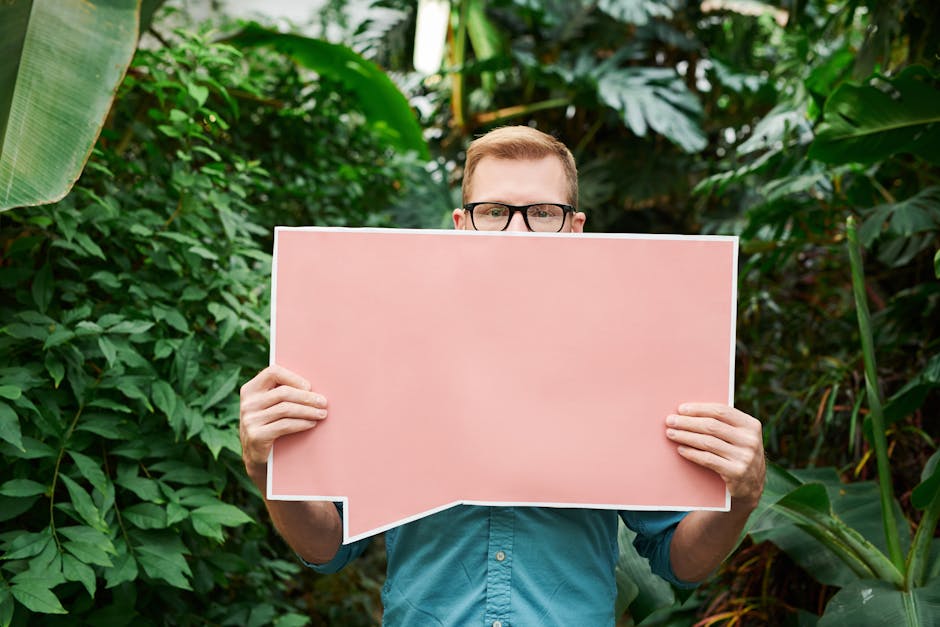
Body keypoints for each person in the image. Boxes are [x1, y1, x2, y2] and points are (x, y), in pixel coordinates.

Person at [239, 126, 766, 626]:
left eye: (541, 213)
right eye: (493, 211)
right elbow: (328, 548)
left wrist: (740, 498)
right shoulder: (388, 353)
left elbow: (682, 562)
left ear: (574, 228)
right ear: (462, 223)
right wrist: (270, 470)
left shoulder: (626, 361)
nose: (517, 232)